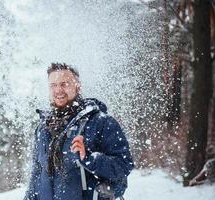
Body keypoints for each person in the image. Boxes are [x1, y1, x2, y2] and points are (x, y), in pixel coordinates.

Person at [24, 63, 134, 200]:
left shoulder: (101, 122)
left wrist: (89, 158)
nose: (58, 90)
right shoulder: (43, 128)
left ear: (77, 86)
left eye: (64, 84)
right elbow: (36, 174)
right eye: (53, 85)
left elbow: (124, 165)